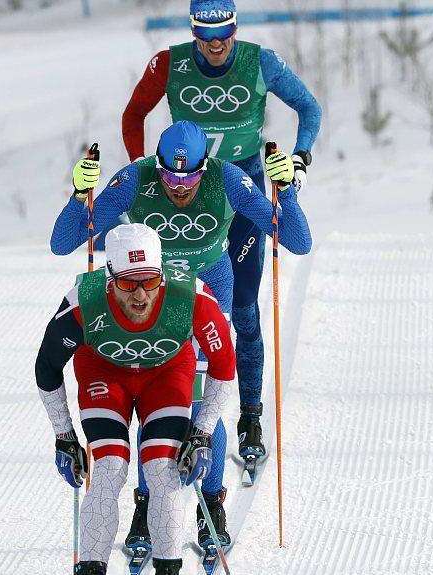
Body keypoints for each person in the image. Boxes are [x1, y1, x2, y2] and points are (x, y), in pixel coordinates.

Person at [50, 120, 311, 555]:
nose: (179, 188)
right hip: (149, 298)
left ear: (204, 167)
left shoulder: (227, 178)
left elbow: (298, 241)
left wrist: (287, 190)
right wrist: (80, 197)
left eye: (189, 178)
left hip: (208, 292)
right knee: (150, 399)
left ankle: (212, 503)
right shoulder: (136, 178)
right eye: (170, 178)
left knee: (200, 400)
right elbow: (64, 244)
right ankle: (145, 503)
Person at [122, 0, 320, 464]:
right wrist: (137, 166)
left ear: (235, 30)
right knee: (180, 314)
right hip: (186, 192)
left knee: (244, 308)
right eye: (205, 39)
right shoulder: (168, 63)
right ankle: (182, 413)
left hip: (242, 189)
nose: (215, 47)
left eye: (224, 37)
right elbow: (134, 114)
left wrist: (300, 158)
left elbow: (308, 108)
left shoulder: (260, 62)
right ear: (193, 35)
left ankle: (249, 415)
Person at [34, 224, 235, 575]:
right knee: (110, 469)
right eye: (129, 284)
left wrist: (202, 433)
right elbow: (46, 368)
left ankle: (168, 568)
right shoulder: (84, 302)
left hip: (165, 372)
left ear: (162, 275)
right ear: (110, 278)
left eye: (150, 281)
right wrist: (64, 437)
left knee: (163, 471)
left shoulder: (191, 295)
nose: (140, 296)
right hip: (104, 372)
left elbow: (224, 364)